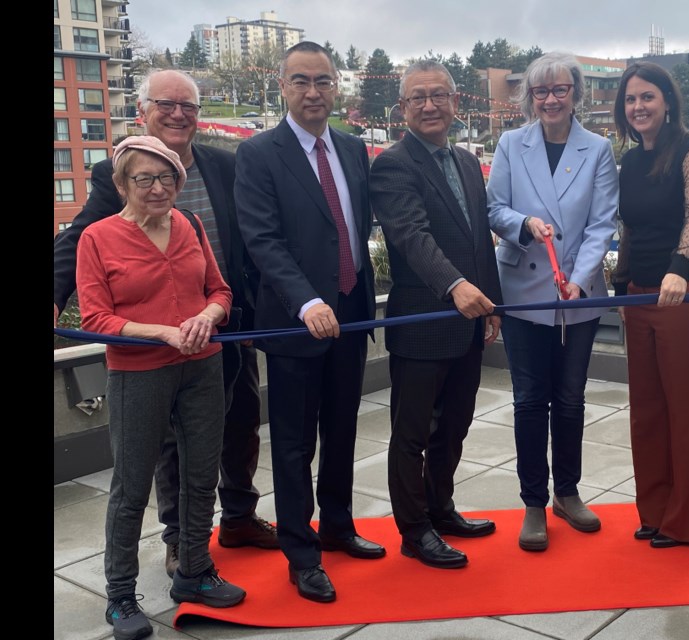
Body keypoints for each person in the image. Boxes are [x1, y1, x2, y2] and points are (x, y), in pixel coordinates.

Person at [52, 69, 276, 579]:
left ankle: (239, 517)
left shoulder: (226, 165)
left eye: (188, 107)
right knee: (172, 449)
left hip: (225, 325)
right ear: (143, 112)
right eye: (165, 105)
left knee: (240, 425)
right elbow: (79, 239)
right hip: (155, 346)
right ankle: (180, 541)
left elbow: (261, 236)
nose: (178, 115)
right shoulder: (124, 174)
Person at [75, 136, 246, 640]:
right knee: (131, 486)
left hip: (202, 366)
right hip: (138, 372)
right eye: (143, 179)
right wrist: (165, 332)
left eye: (166, 177)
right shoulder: (98, 238)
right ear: (122, 184)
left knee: (199, 477)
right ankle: (121, 595)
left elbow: (220, 291)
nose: (156, 188)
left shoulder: (191, 226)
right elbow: (96, 318)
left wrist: (208, 316)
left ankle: (193, 572)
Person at [234, 41, 383, 604]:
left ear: (336, 87)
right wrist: (305, 301)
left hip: (350, 314)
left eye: (323, 81)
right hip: (298, 323)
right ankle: (301, 552)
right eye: (301, 81)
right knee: (294, 445)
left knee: (343, 429)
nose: (313, 91)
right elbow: (263, 241)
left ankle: (339, 526)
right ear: (282, 87)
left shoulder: (351, 148)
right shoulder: (260, 153)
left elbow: (353, 227)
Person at [369, 61, 503, 569]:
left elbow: (478, 240)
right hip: (422, 322)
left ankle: (442, 508)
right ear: (402, 109)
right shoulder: (394, 164)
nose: (429, 105)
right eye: (417, 98)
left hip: (469, 322)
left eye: (438, 96)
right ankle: (414, 529)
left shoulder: (468, 162)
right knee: (412, 434)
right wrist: (455, 287)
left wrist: (491, 302)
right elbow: (410, 236)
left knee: (455, 426)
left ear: (456, 103)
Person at [487, 52, 618, 552]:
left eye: (559, 90)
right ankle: (533, 502)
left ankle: (567, 490)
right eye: (540, 92)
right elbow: (494, 207)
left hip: (577, 297)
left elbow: (603, 222)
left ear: (576, 93)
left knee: (569, 399)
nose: (550, 99)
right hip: (523, 291)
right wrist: (524, 224)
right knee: (528, 400)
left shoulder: (599, 149)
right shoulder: (509, 144)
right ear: (529, 98)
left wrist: (580, 279)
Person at [610, 62, 689, 549]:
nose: (639, 107)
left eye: (648, 97)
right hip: (640, 294)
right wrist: (620, 286)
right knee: (648, 409)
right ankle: (656, 511)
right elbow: (629, 229)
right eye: (631, 100)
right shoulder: (630, 160)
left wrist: (679, 266)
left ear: (667, 102)